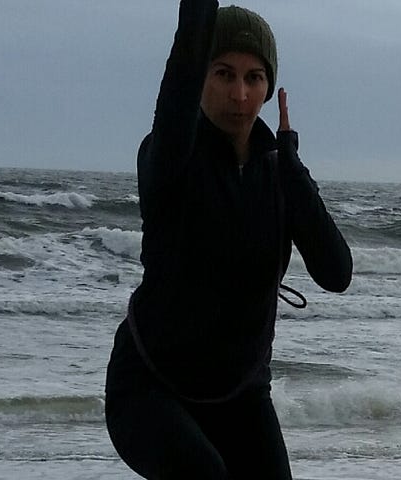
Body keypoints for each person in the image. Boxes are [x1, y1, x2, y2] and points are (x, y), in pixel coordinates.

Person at [103, 1, 352, 478]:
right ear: (201, 76)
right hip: (150, 389)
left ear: (269, 86)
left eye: (254, 77)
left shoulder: (280, 173)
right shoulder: (169, 157)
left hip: (241, 395)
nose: (239, 93)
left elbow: (336, 273)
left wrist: (290, 164)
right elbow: (182, 70)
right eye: (223, 73)